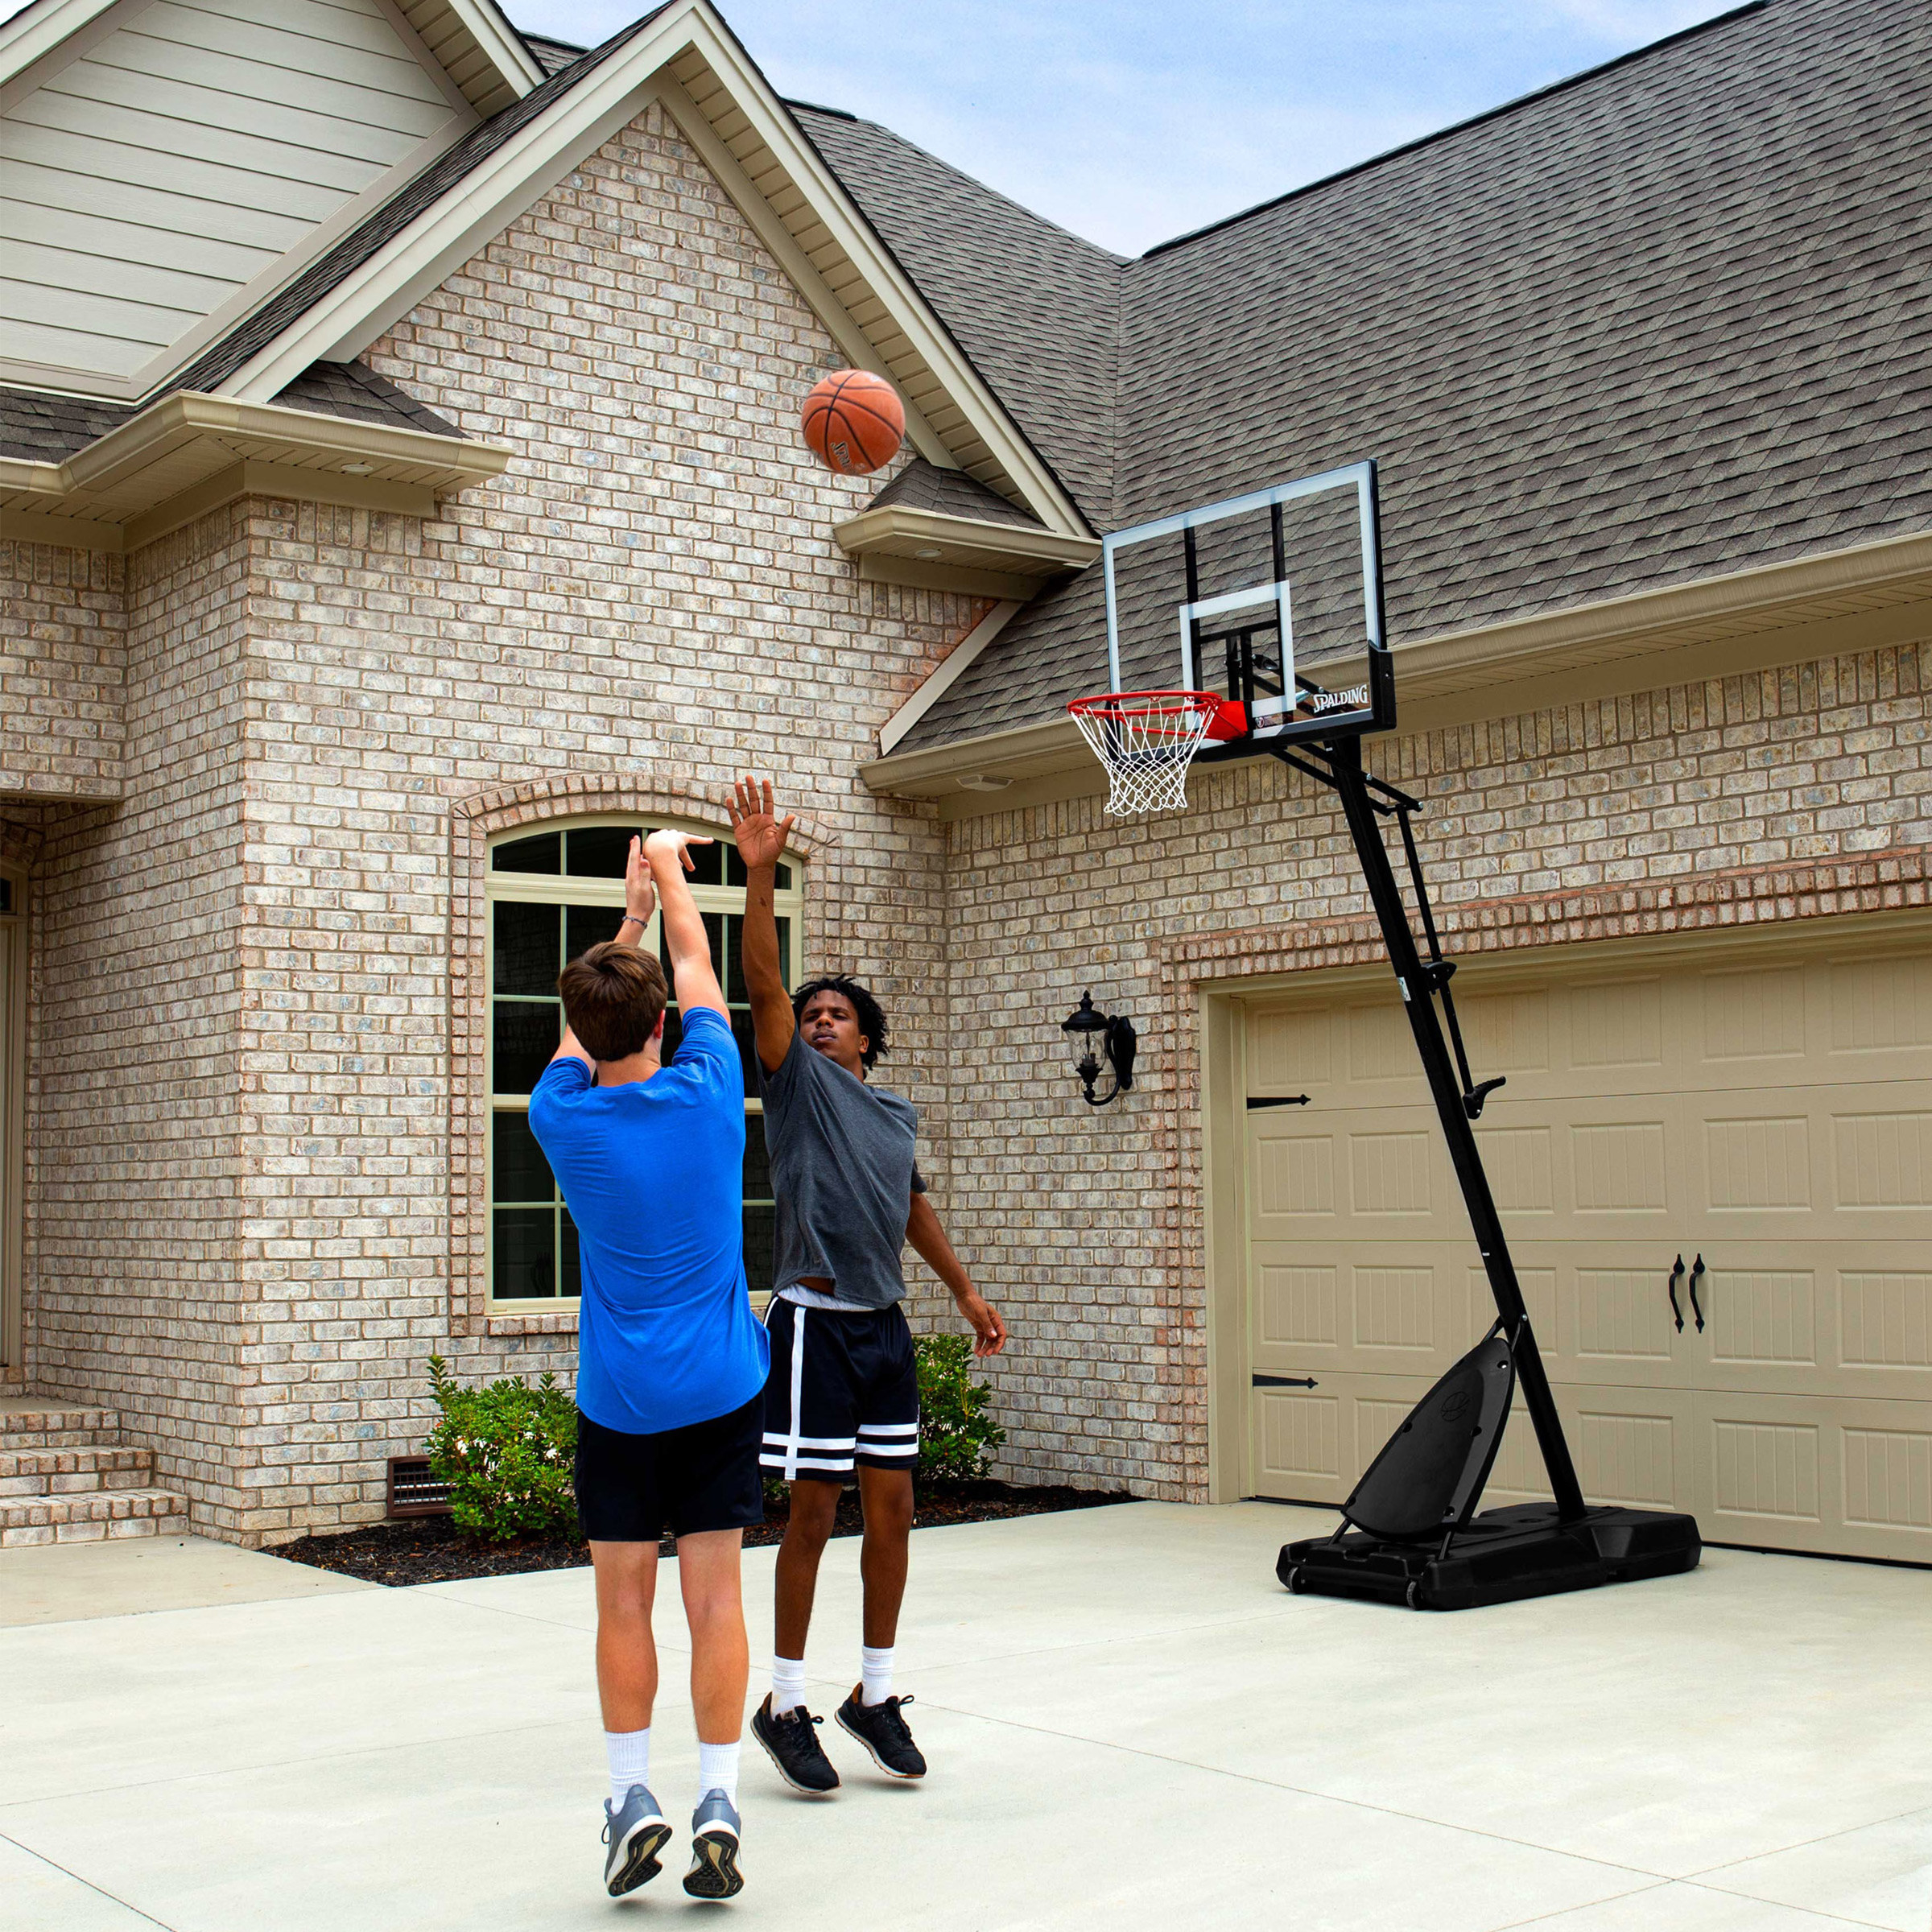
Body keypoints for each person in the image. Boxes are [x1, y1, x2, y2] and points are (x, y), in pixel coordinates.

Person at [725, 776, 1008, 1796]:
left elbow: (911, 1210)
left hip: (883, 1330)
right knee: (811, 1514)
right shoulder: (793, 1086)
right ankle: (785, 1700)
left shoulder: (889, 1114)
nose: (819, 1021)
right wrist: (760, 880)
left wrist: (968, 1296)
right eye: (811, 1014)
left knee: (893, 1515)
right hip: (812, 1323)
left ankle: (874, 1693)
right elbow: (761, 987)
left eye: (837, 1014)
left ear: (868, 1036)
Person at [527, 829, 767, 1900]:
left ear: (578, 1030)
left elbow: (591, 1026)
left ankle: (634, 1795)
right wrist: (668, 873)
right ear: (665, 1024)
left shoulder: (558, 1119)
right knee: (715, 1599)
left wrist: (620, 919)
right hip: (719, 1391)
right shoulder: (711, 1089)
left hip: (621, 1401)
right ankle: (718, 1796)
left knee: (622, 1602)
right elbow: (698, 965)